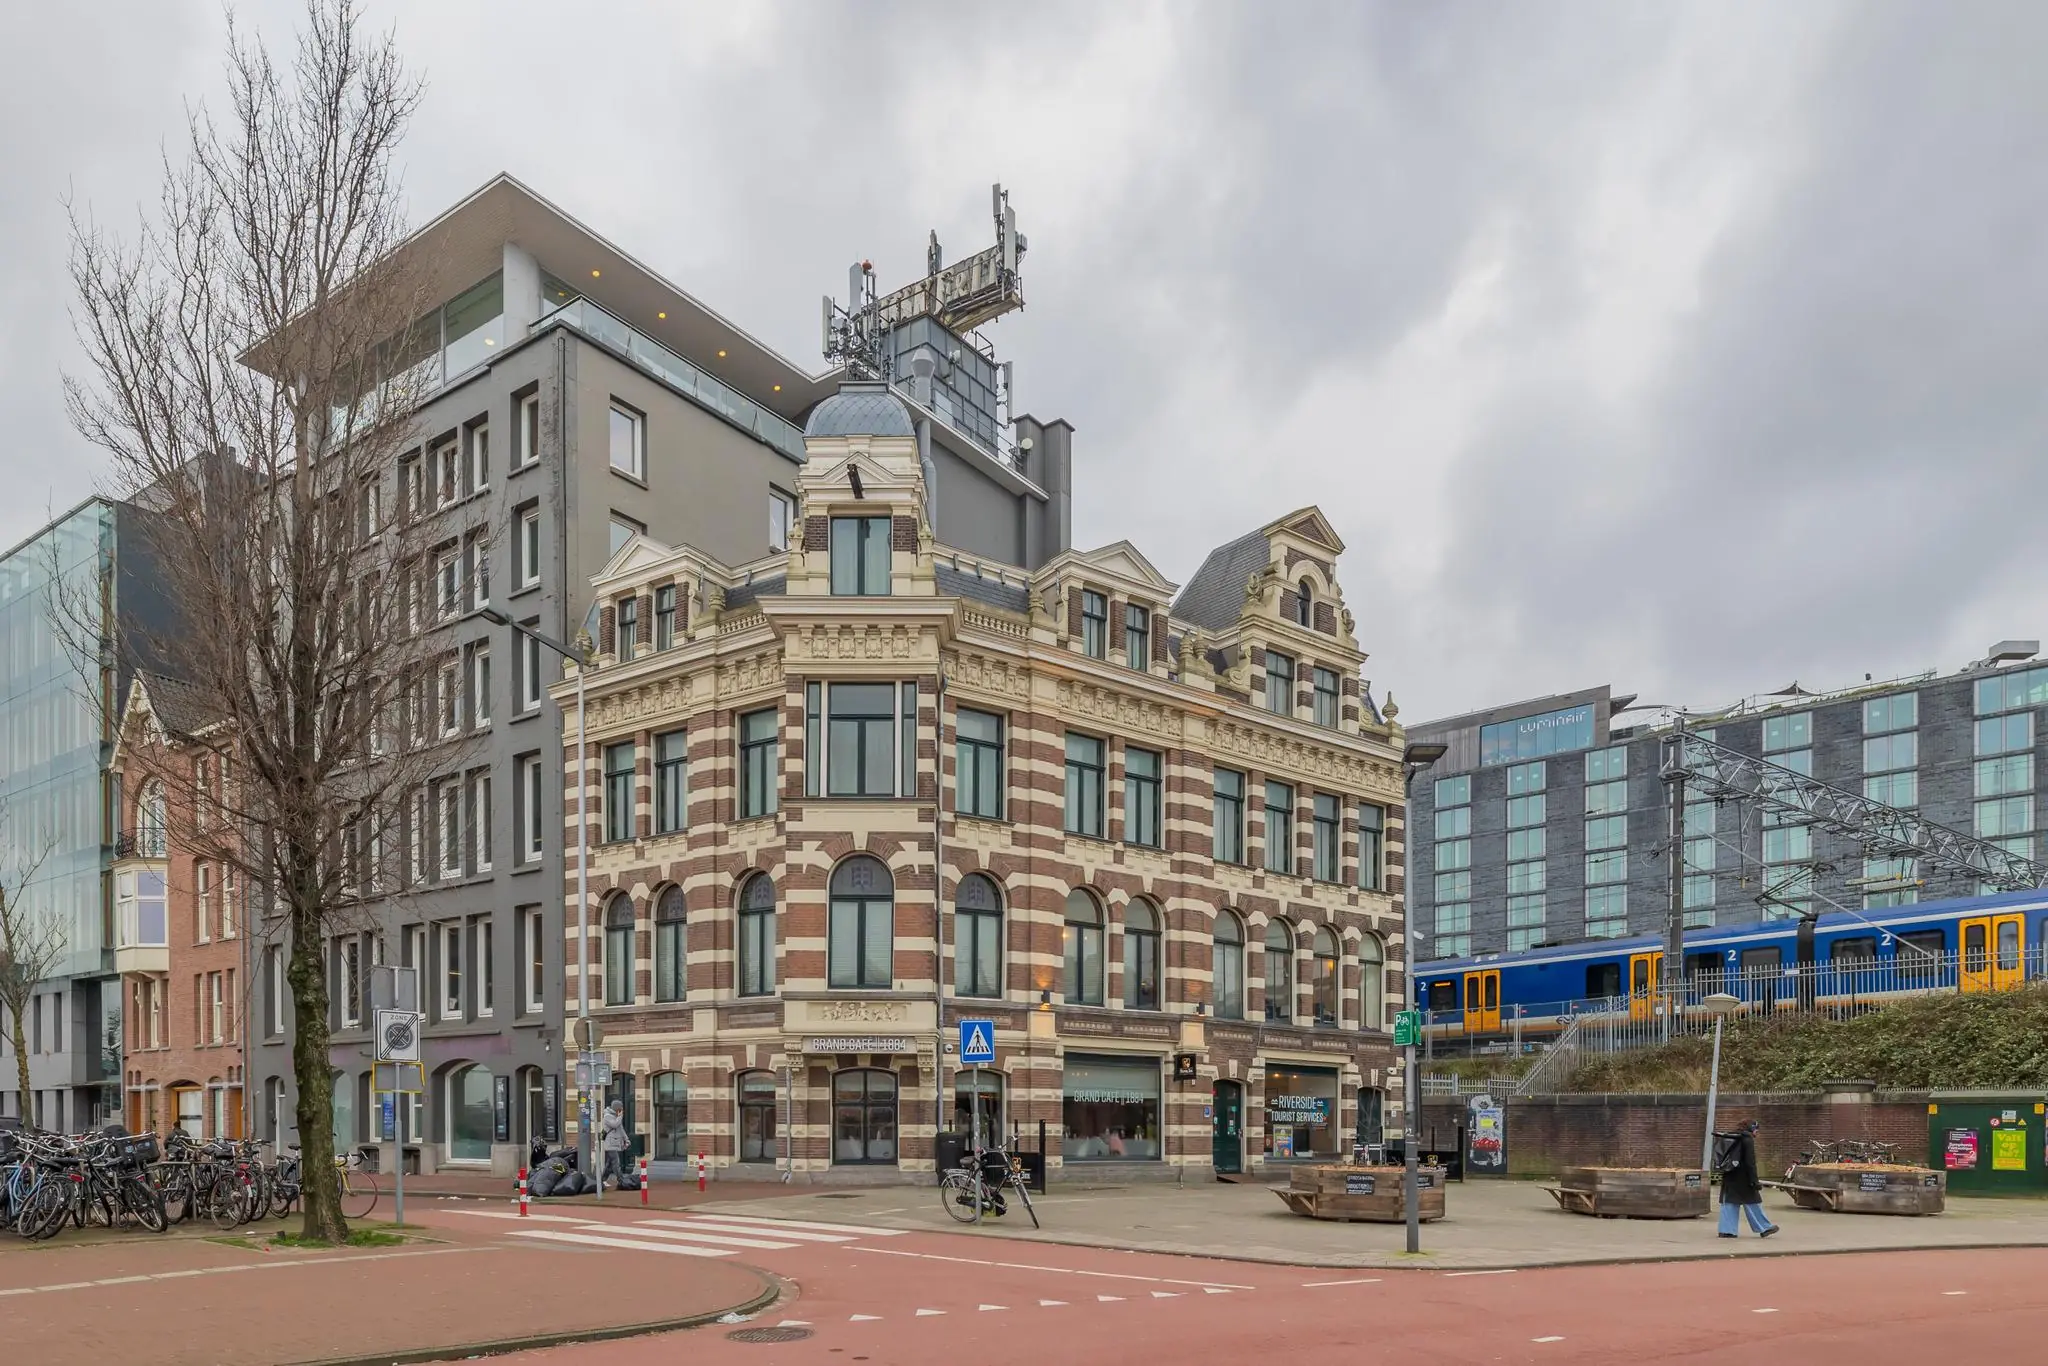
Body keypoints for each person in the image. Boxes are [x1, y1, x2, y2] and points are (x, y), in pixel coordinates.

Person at [1713, 1118, 1778, 1239]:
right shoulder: (1747, 1139)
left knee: (1729, 1203)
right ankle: (1764, 1227)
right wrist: (1754, 1181)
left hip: (1729, 1176)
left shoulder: (1731, 1136)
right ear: (1752, 1128)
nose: (1757, 1134)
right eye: (1756, 1131)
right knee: (1753, 1202)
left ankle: (1727, 1230)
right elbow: (1750, 1163)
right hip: (1744, 1178)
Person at [600, 1100, 631, 1190]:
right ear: (616, 1108)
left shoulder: (616, 1116)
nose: (621, 1109)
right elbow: (615, 1125)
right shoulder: (607, 1116)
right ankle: (621, 1180)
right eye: (620, 1108)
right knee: (616, 1162)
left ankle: (602, 1180)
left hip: (615, 1143)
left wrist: (626, 1139)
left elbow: (621, 1129)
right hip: (610, 1144)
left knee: (609, 1164)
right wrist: (620, 1116)